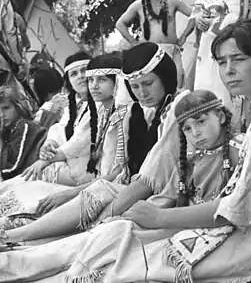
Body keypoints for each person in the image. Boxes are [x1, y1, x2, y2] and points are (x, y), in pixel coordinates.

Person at [0, 20, 251, 282]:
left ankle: (18, 262)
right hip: (244, 218)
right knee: (116, 236)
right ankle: (14, 258)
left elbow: (246, 207)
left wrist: (161, 218)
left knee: (131, 260)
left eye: (238, 59)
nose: (228, 70)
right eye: (221, 62)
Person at [0, 42, 180, 242]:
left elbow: (138, 177)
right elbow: (72, 140)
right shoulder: (126, 111)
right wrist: (48, 154)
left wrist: (102, 215)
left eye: (148, 83)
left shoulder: (162, 111)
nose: (142, 93)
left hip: (140, 192)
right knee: (43, 182)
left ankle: (16, 235)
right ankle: (16, 231)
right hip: (110, 183)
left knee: (89, 192)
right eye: (135, 86)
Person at [181, 0, 251, 112]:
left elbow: (237, 18)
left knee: (224, 94)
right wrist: (198, 19)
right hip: (205, 51)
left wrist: (212, 24)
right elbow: (196, 11)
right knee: (204, 91)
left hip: (227, 50)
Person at [21, 52, 93, 185]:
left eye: (84, 70)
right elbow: (59, 129)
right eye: (74, 74)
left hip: (89, 171)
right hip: (69, 163)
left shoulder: (100, 105)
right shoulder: (74, 105)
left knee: (31, 179)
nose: (80, 76)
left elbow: (80, 141)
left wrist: (45, 160)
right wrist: (50, 144)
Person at [115, 0, 192, 88]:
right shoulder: (138, 5)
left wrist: (184, 36)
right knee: (157, 85)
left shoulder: (172, 0)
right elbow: (120, 24)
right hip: (150, 53)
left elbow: (194, 15)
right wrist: (134, 43)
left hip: (171, 49)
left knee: (178, 83)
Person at [0, 86, 46, 181]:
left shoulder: (24, 126)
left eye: (6, 108)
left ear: (18, 107)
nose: (2, 114)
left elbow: (10, 169)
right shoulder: (8, 130)